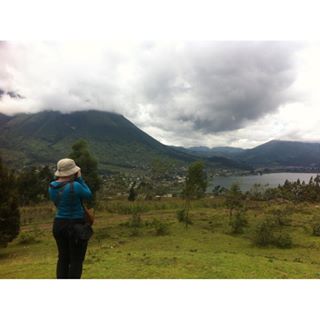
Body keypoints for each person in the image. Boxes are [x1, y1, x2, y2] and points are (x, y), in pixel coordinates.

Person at [49, 158, 92, 279]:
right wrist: (80, 178)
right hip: (76, 226)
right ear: (73, 171)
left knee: (63, 258)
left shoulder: (51, 187)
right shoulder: (76, 185)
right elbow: (89, 195)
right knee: (76, 260)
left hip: (58, 225)